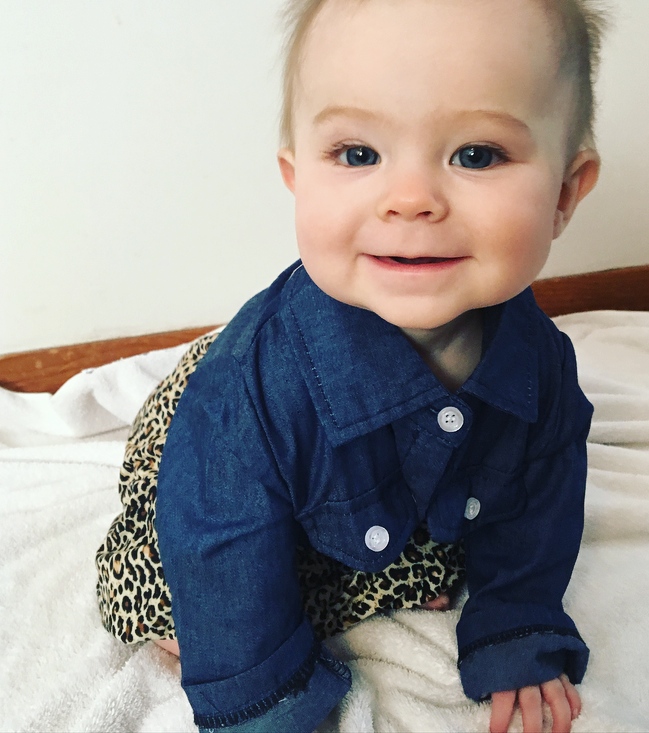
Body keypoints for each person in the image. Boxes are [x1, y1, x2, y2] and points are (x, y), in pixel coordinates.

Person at [95, 0, 609, 731]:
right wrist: (257, 692)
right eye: (358, 154)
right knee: (175, 585)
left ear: (563, 194)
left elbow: (538, 499)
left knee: (442, 541)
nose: (410, 199)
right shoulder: (251, 390)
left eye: (476, 154)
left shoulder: (541, 365)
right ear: (297, 175)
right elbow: (216, 533)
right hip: (199, 460)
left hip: (371, 468)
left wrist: (516, 621)